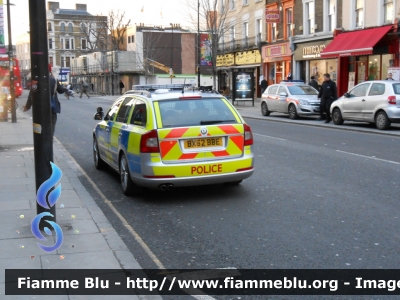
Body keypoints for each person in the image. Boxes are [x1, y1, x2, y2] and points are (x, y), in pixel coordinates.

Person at [22, 66, 67, 136]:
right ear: (50, 71)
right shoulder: (54, 80)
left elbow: (32, 94)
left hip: (39, 110)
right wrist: (65, 88)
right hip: (51, 108)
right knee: (50, 131)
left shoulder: (36, 80)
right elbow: (60, 90)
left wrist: (27, 107)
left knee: (39, 131)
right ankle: (49, 142)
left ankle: (40, 142)